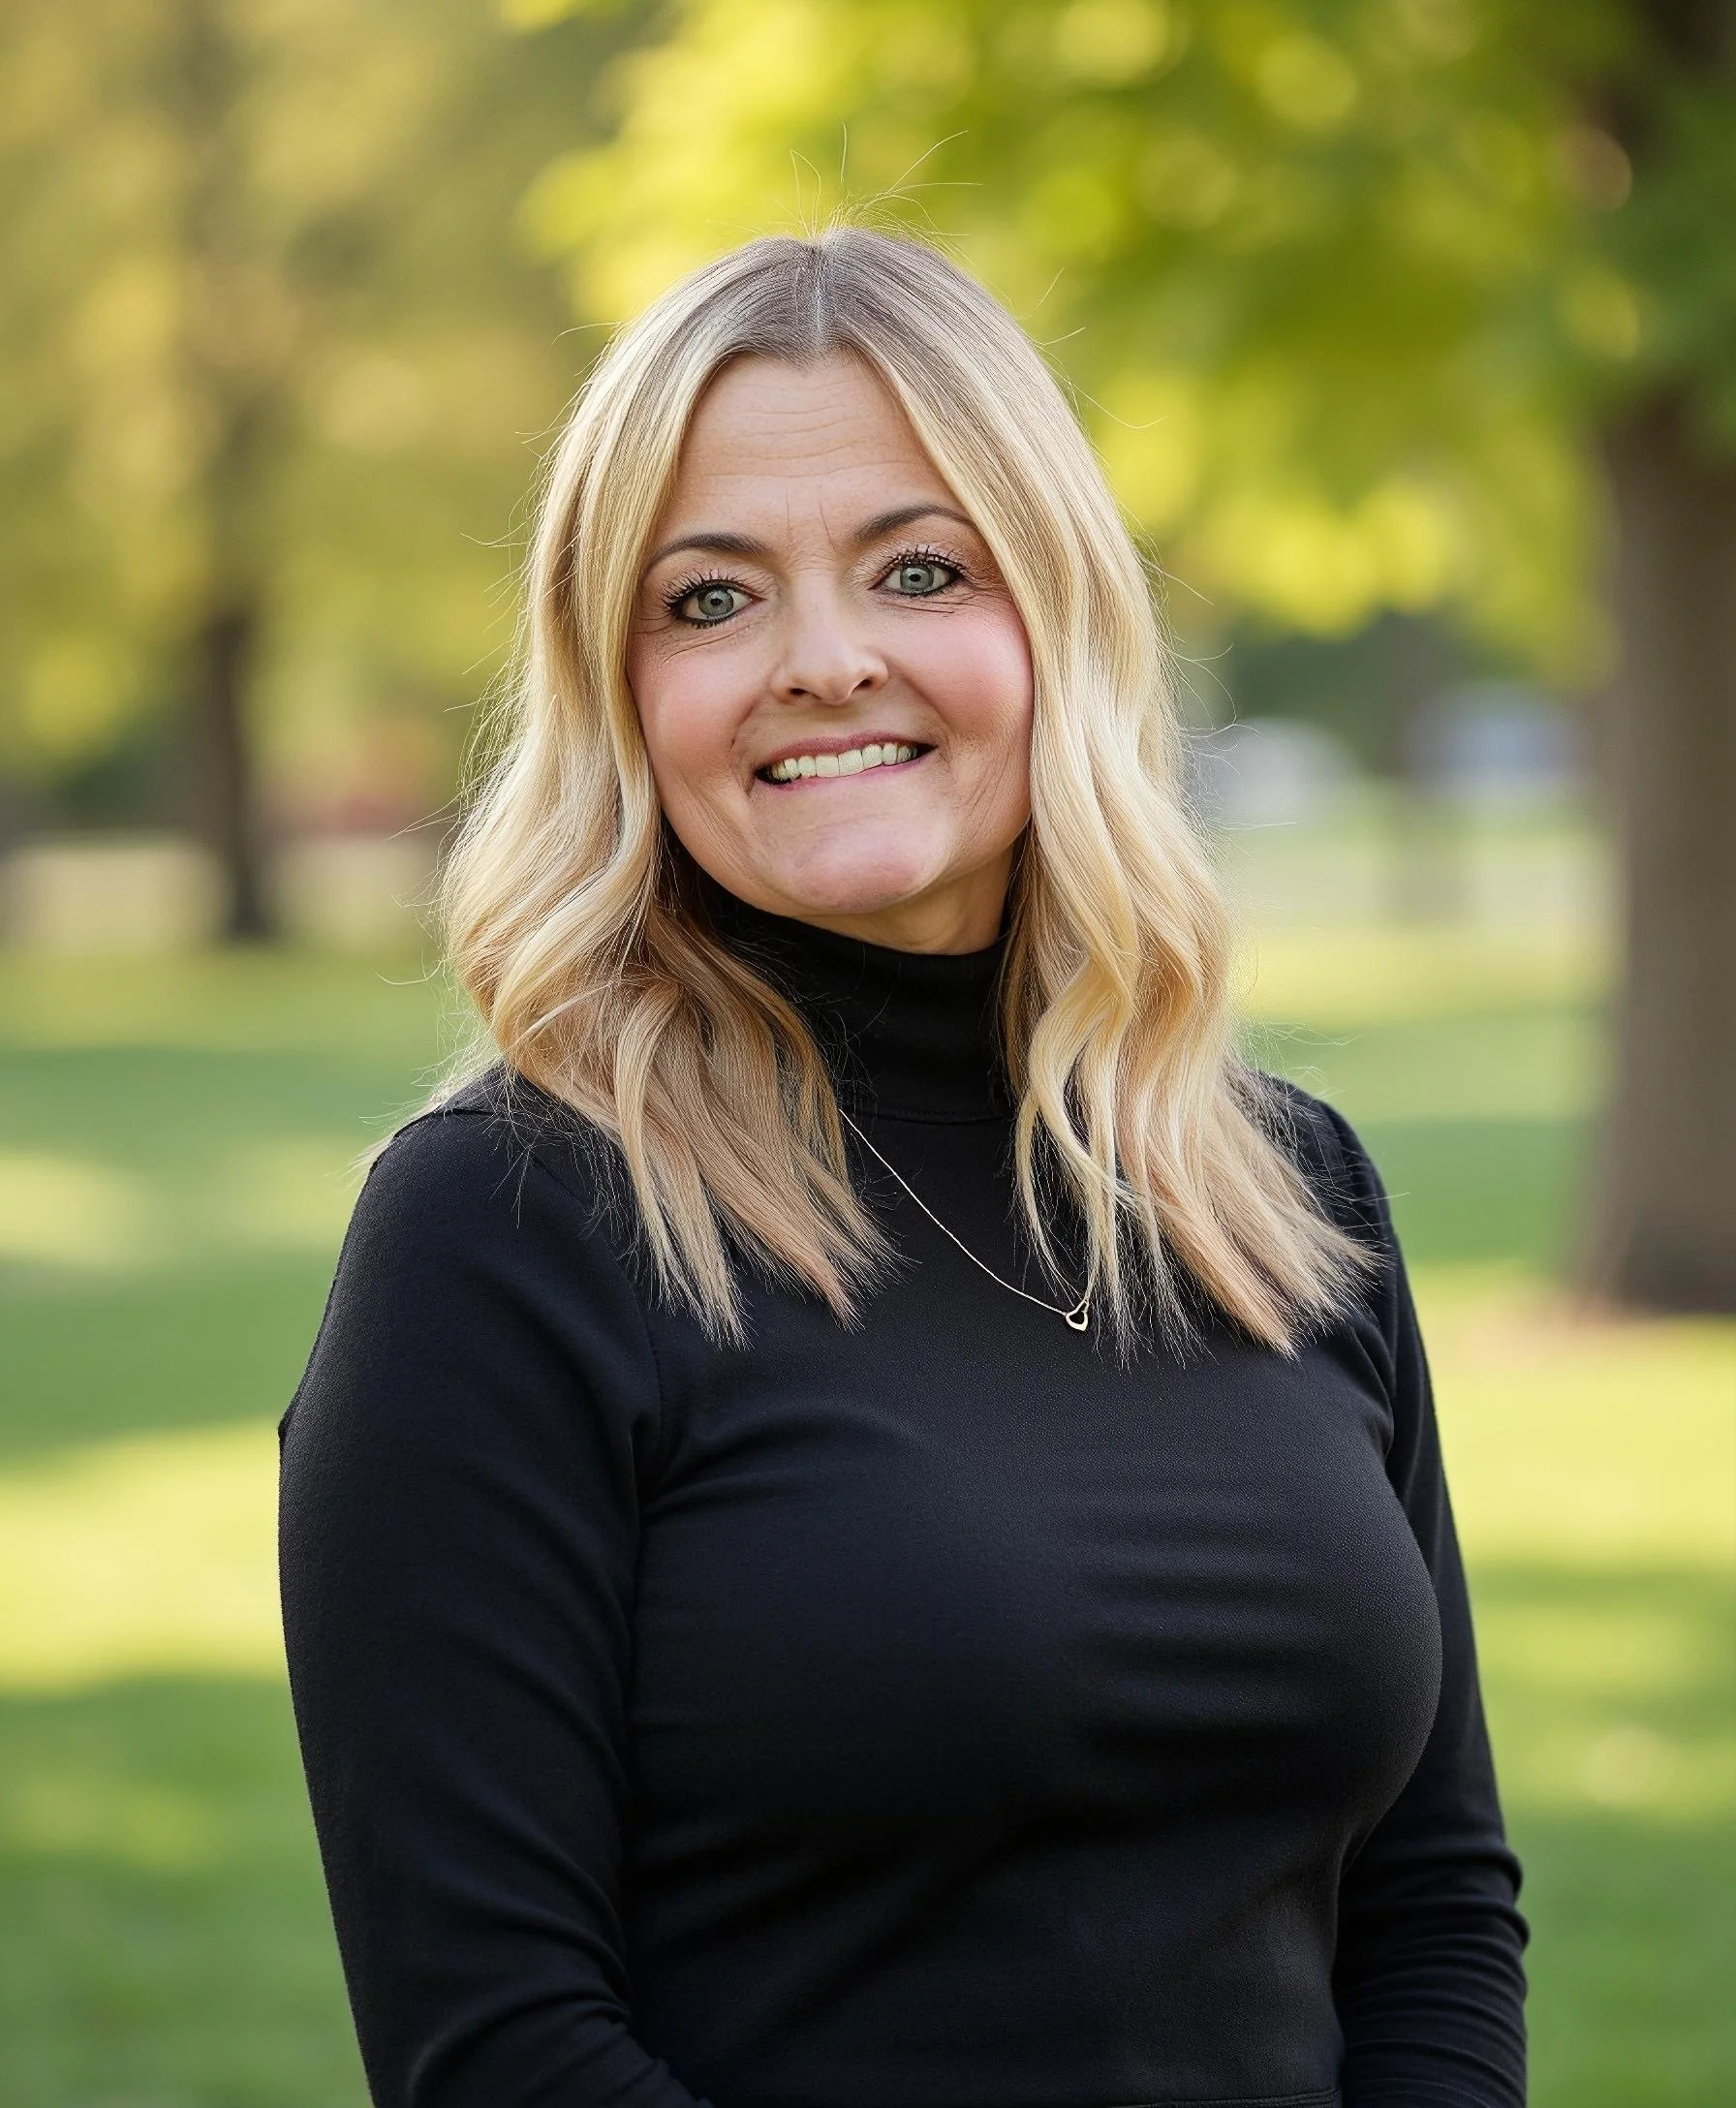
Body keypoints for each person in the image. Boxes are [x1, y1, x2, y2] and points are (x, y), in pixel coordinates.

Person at [278, 227, 1527, 2108]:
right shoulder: (505, 1227)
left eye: (916, 568)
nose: (820, 659)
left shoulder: (1287, 1189)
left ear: (1057, 618)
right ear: (616, 686)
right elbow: (500, 2046)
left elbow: (1428, 1905)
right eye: (709, 599)